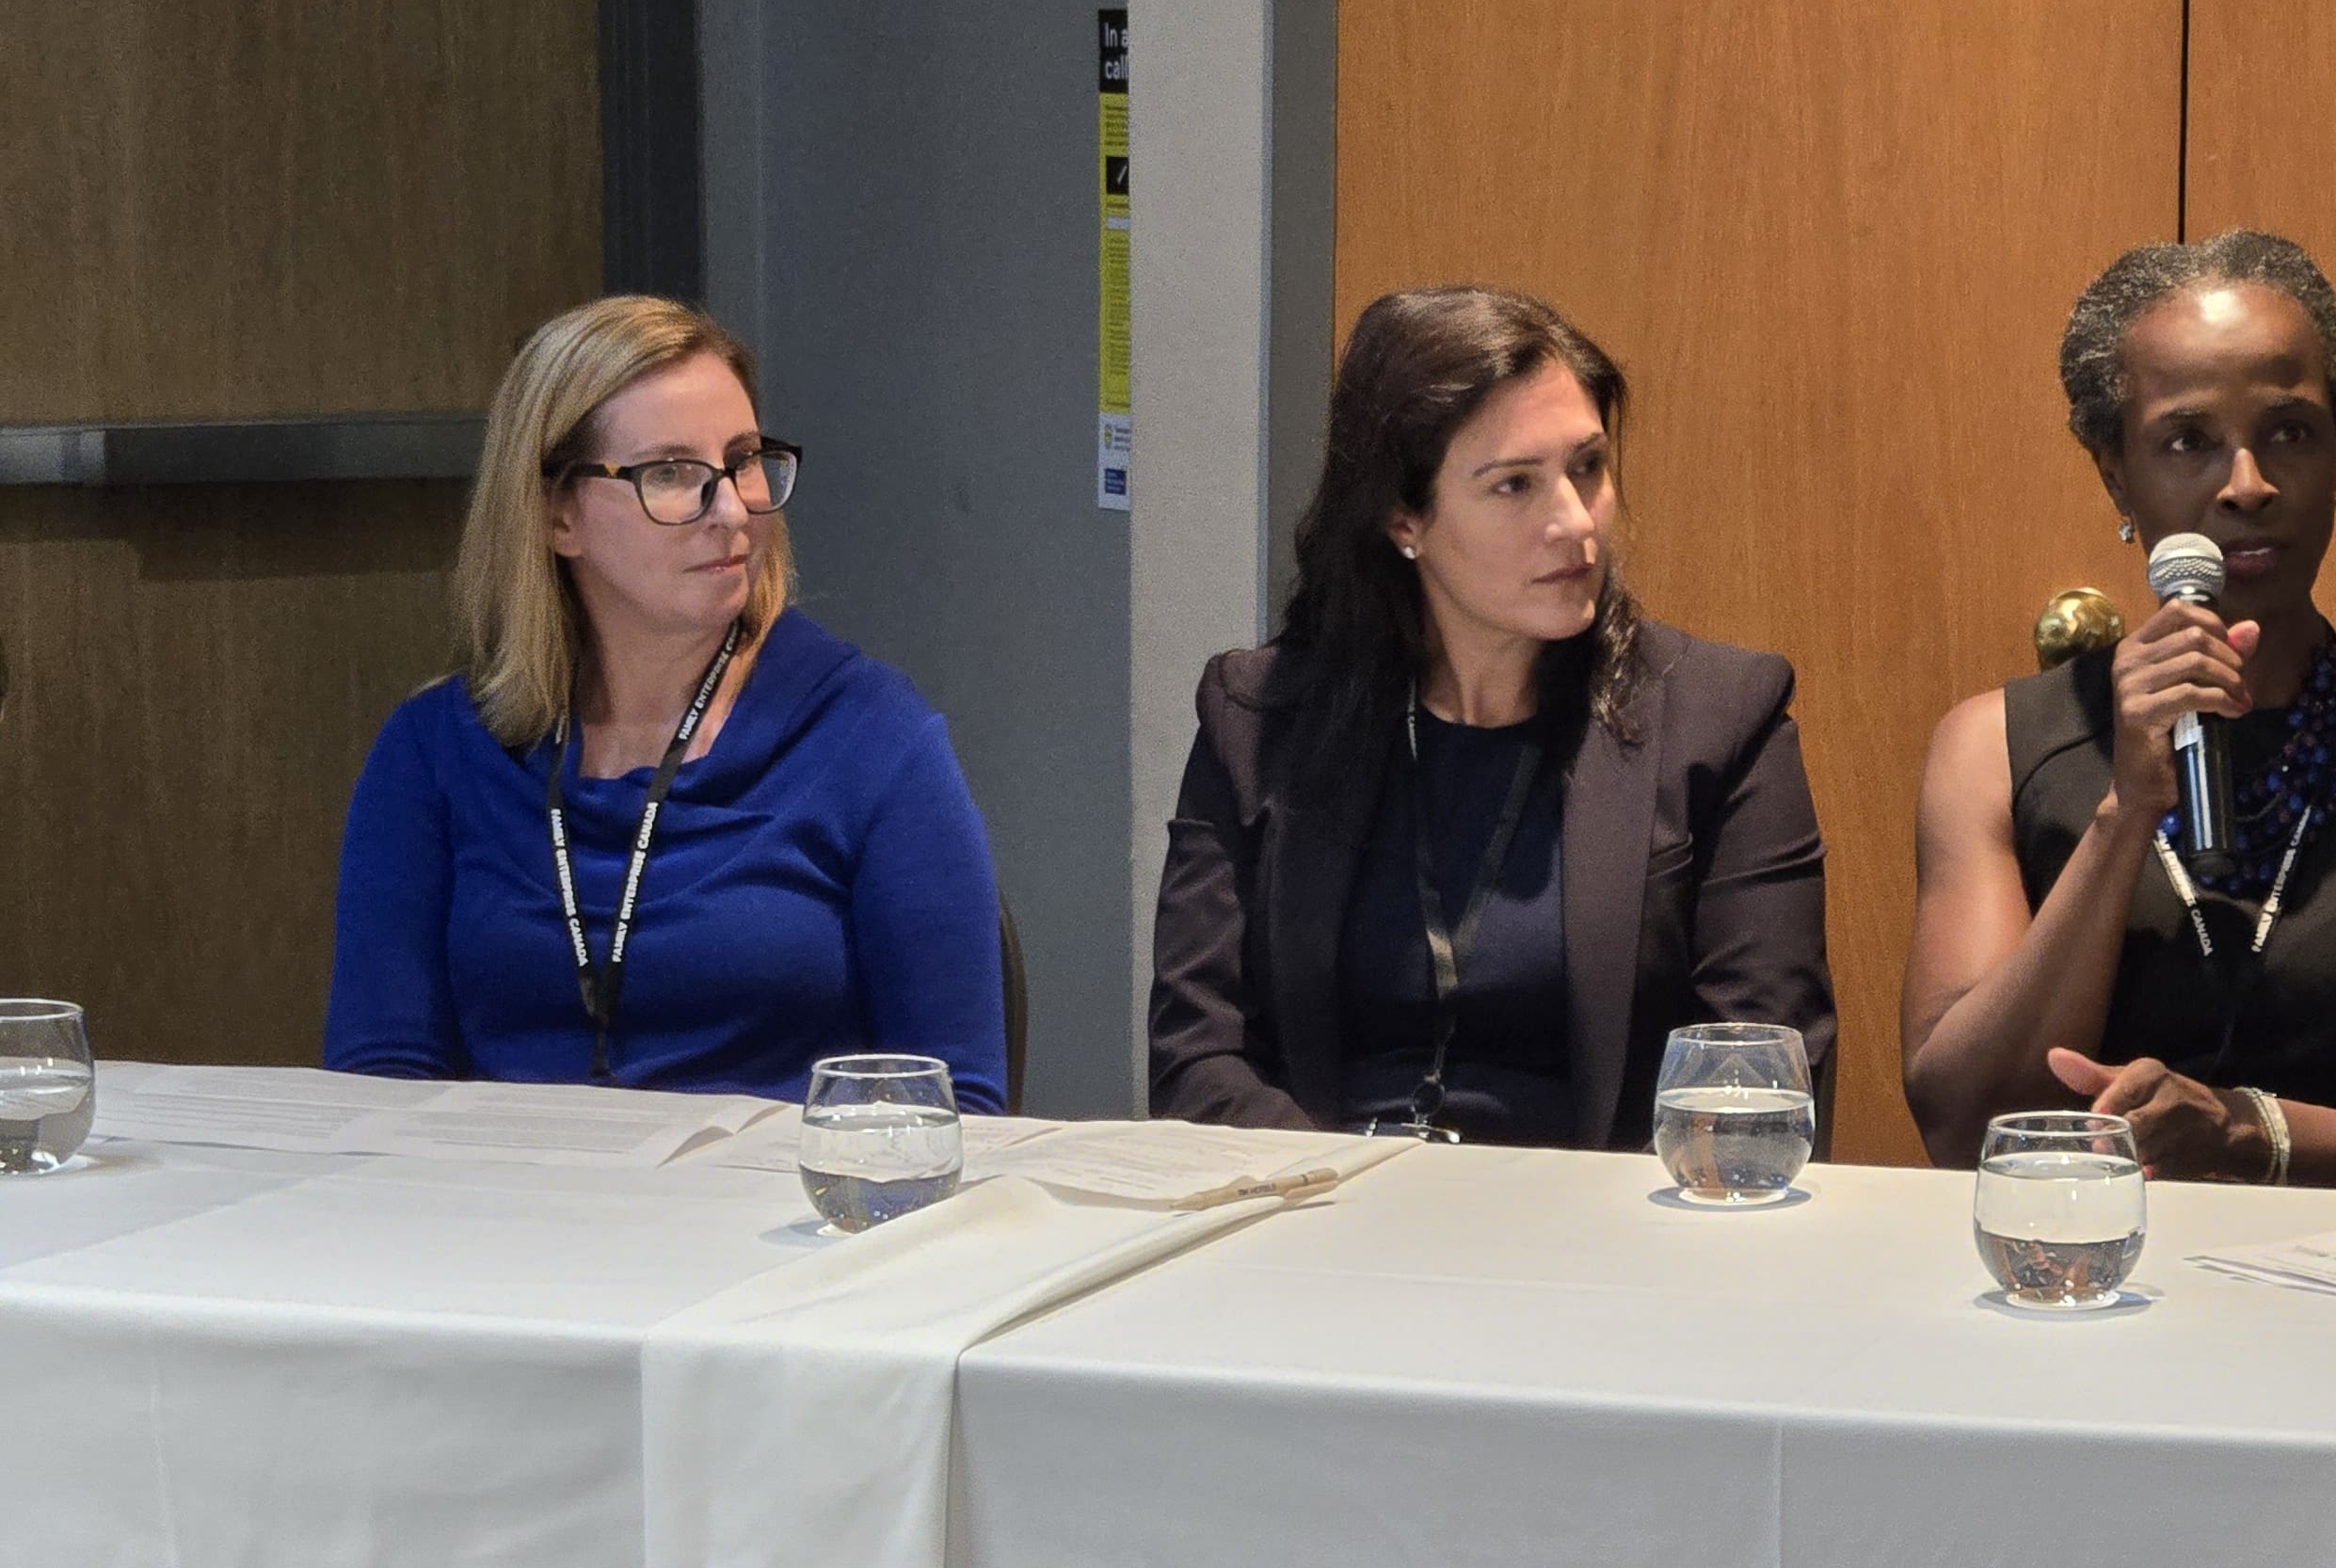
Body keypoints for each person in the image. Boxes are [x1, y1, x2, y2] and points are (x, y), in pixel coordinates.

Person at [1901, 230, 2336, 1185]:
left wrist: (2253, 1132)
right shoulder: (1991, 749)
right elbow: (1961, 1126)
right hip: (2083, 1291)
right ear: (2114, 471)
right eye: (2188, 442)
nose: (2248, 485)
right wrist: (2125, 810)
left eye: (2290, 432)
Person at [1148, 284, 1832, 1144]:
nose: (1575, 521)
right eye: (1514, 485)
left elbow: (1759, 1074)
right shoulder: (1257, 720)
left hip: (1598, 1244)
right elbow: (1196, 1061)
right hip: (1322, 1226)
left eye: (1588, 467)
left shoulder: (1720, 720)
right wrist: (1357, 1211)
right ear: (1405, 521)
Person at [327, 296, 1008, 1108]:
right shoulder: (436, 751)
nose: (732, 510)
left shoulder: (871, 737)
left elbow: (956, 1099)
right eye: (673, 474)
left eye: (745, 460)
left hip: (776, 1218)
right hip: (510, 1216)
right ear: (557, 516)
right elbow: (379, 1083)